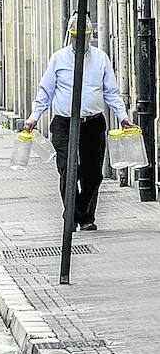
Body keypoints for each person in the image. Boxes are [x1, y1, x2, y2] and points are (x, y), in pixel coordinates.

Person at [24, 14, 134, 232]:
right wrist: (33, 117)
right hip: (65, 123)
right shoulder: (58, 59)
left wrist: (123, 116)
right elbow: (46, 91)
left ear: (91, 36)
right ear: (70, 36)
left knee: (93, 174)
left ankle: (85, 215)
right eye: (76, 36)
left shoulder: (101, 58)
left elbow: (111, 92)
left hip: (93, 123)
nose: (81, 41)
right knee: (68, 169)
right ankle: (73, 217)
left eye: (85, 36)